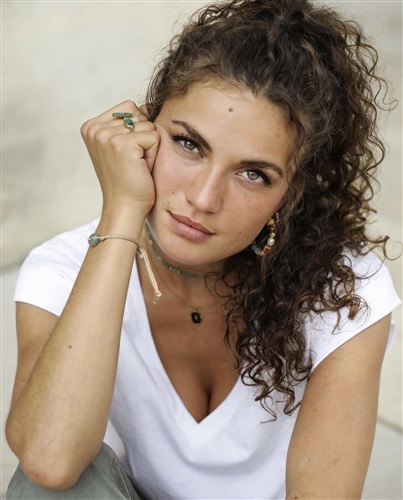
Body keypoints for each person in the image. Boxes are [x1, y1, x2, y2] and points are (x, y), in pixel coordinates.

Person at [5, 0, 401, 498]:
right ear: (145, 127)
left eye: (253, 174)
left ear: (291, 194)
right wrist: (122, 213)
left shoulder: (341, 291)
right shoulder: (61, 270)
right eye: (189, 144)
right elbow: (48, 460)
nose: (203, 198)